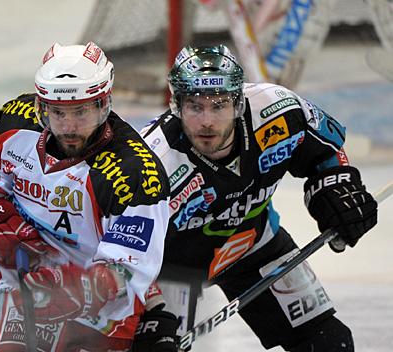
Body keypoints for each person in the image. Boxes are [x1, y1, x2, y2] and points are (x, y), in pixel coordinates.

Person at [140, 44, 378, 351]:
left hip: (253, 242)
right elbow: (123, 251)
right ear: (176, 106)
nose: (207, 121)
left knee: (329, 343)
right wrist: (151, 308)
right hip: (171, 271)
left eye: (219, 104)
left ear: (238, 102)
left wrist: (336, 186)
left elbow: (326, 150)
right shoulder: (152, 163)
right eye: (195, 106)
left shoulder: (278, 110)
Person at [0, 42, 179, 352]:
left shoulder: (135, 173)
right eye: (58, 112)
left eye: (81, 111)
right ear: (41, 107)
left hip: (101, 309)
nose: (69, 126)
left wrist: (83, 290)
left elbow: (130, 267)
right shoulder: (16, 122)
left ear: (104, 105)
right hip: (24, 286)